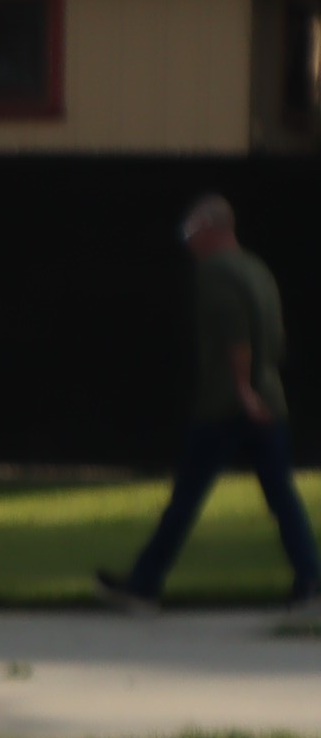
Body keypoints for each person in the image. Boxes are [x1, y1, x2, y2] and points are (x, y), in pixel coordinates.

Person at [97, 190, 321, 619]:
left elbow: (236, 334)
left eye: (191, 232)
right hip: (268, 398)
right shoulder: (256, 268)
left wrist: (241, 388)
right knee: (281, 495)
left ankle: (143, 586)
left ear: (209, 229)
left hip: (226, 403)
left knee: (186, 497)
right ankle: (310, 581)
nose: (187, 242)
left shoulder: (215, 272)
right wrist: (259, 388)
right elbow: (274, 335)